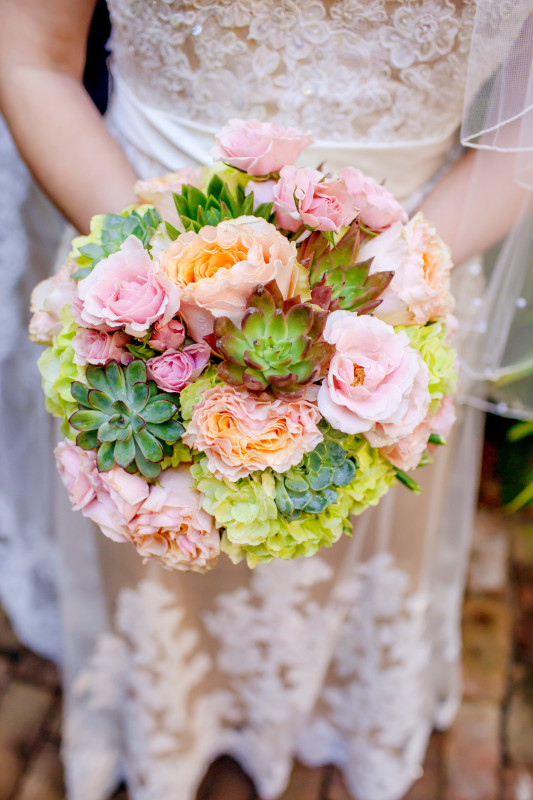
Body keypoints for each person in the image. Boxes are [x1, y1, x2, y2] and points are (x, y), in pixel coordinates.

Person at [0, 2, 532, 799]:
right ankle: (160, 717)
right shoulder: (145, 283)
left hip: (406, 279)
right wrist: (166, 299)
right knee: (151, 526)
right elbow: (32, 56)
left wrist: (382, 309)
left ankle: (333, 699)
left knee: (350, 522)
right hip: (129, 239)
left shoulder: (393, 304)